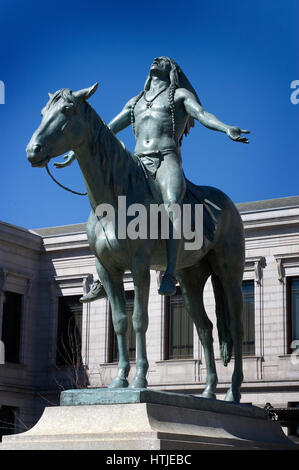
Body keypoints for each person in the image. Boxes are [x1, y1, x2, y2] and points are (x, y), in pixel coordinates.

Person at [63, 57, 249, 301]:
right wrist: (76, 148)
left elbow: (202, 114)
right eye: (155, 59)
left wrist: (225, 128)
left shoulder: (179, 95)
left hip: (166, 160)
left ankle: (171, 272)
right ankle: (105, 274)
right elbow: (105, 130)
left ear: (172, 70)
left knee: (171, 202)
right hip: (138, 162)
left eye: (164, 60)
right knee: (106, 206)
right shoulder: (136, 101)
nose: (157, 60)